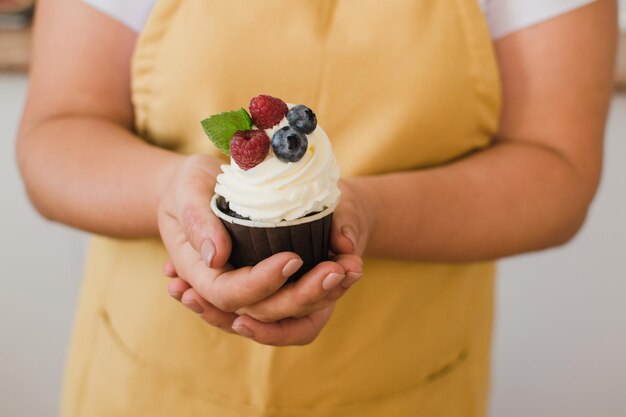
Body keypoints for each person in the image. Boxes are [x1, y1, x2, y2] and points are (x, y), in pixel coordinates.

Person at [16, 0, 617, 416]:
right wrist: (167, 191)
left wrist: (368, 212)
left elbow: (555, 170)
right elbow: (57, 135)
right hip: (146, 384)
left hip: (410, 383)